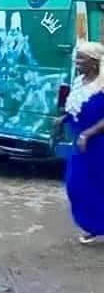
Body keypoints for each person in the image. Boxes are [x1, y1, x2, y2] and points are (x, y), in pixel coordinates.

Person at [56, 41, 104, 244]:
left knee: (98, 185)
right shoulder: (79, 81)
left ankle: (96, 226)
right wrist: (63, 119)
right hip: (81, 142)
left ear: (93, 62)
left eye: (80, 58)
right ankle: (93, 224)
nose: (76, 62)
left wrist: (88, 134)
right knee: (76, 185)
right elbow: (74, 107)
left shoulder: (102, 85)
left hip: (98, 142)